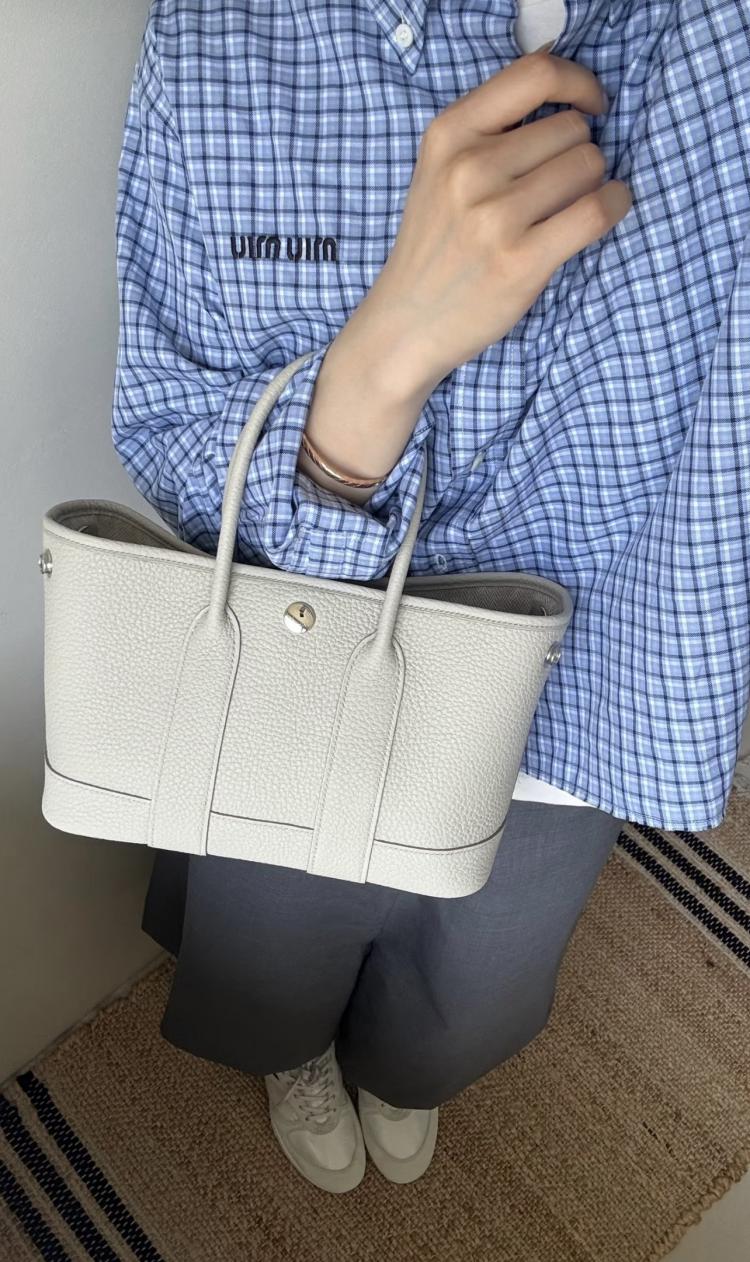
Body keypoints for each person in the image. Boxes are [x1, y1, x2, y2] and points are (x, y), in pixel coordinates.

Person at [113, 0, 749, 1193]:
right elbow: (168, 428)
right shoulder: (225, 34)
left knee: (486, 947)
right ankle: (290, 1047)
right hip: (308, 645)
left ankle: (409, 1066)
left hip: (593, 674)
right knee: (276, 916)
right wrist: (382, 359)